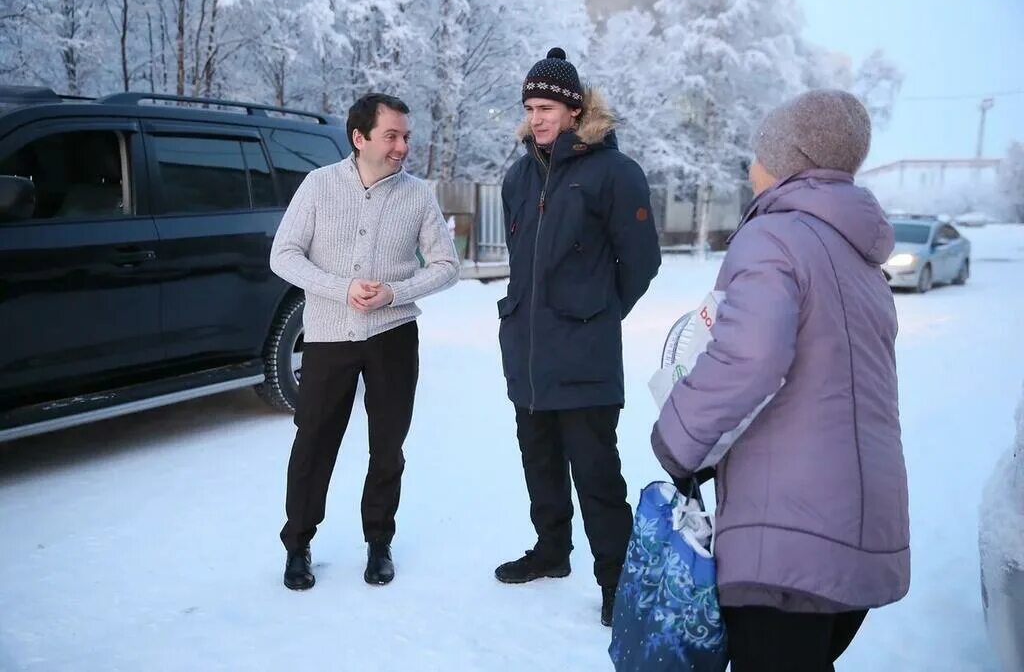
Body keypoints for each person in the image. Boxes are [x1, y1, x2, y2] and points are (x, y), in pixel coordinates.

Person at [651, 89, 910, 671]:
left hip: (789, 532)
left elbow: (752, 358)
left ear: (788, 160)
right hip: (857, 527)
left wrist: (676, 436)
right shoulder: (859, 258)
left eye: (758, 154)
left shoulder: (773, 237)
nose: (750, 167)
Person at [494, 47, 661, 626]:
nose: (536, 118)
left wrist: (597, 311)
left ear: (573, 109)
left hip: (584, 354)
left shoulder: (615, 173)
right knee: (538, 460)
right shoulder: (517, 176)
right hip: (528, 353)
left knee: (596, 474)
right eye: (529, 107)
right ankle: (551, 551)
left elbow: (640, 262)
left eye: (546, 107)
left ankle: (618, 581)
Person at [270, 92, 459, 590]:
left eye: (406, 136)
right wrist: (342, 289)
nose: (402, 146)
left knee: (387, 445)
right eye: (391, 136)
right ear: (360, 138)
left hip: (393, 337)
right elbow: (283, 255)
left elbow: (447, 266)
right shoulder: (318, 186)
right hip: (329, 337)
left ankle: (379, 540)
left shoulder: (417, 195)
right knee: (313, 442)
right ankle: (298, 544)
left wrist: (395, 292)